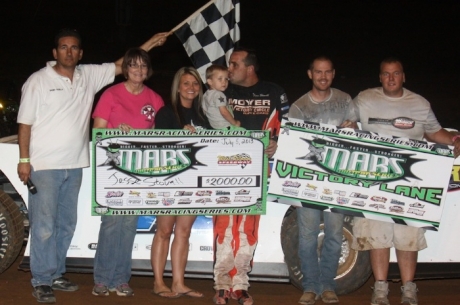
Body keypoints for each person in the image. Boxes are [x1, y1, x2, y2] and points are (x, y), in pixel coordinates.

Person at [16, 28, 168, 303]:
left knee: (65, 225)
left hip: (75, 164)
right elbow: (24, 122)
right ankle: (41, 279)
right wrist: (24, 160)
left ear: (80, 53)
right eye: (64, 47)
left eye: (74, 48)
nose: (69, 52)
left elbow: (126, 65)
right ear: (55, 52)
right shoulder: (38, 80)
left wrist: (151, 44)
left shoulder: (88, 75)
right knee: (44, 226)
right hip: (44, 163)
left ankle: (57, 273)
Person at [351, 57, 460, 305]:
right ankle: (380, 289)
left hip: (410, 182)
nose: (391, 78)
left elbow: (434, 132)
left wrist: (455, 140)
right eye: (386, 74)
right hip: (374, 180)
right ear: (380, 77)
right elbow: (344, 120)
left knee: (407, 234)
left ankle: (409, 288)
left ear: (404, 76)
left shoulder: (420, 103)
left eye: (396, 73)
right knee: (377, 235)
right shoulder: (364, 99)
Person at [213, 47, 290, 305]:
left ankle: (241, 284)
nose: (229, 70)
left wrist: (278, 143)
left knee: (247, 228)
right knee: (224, 226)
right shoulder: (222, 91)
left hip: (257, 169)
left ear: (250, 68)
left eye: (234, 65)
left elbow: (289, 127)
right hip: (224, 168)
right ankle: (222, 283)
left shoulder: (273, 91)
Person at [91, 48, 165, 297]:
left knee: (129, 224)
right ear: (125, 69)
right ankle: (102, 279)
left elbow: (160, 136)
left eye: (143, 66)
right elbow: (97, 132)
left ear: (148, 70)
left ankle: (121, 279)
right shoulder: (110, 94)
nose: (139, 70)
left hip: (140, 171)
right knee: (112, 223)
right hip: (112, 169)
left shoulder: (155, 99)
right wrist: (116, 134)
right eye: (133, 65)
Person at [288, 56, 356, 305]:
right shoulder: (298, 107)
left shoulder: (345, 100)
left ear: (334, 73)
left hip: (338, 183)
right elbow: (292, 147)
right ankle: (309, 286)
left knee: (334, 235)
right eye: (318, 72)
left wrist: (354, 127)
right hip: (309, 184)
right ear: (310, 74)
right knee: (306, 236)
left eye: (327, 72)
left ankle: (328, 285)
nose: (323, 76)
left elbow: (357, 138)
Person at [150, 67, 209, 299]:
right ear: (178, 87)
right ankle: (157, 282)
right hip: (170, 181)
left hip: (194, 183)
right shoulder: (166, 113)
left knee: (183, 232)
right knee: (164, 230)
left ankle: (178, 282)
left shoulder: (205, 114)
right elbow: (159, 147)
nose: (191, 88)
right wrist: (180, 134)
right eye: (186, 83)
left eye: (195, 84)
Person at [203, 64, 240, 129]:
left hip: (216, 128)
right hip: (226, 126)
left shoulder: (206, 95)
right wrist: (235, 123)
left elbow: (204, 111)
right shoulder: (219, 94)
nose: (224, 82)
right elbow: (224, 112)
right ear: (210, 82)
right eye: (220, 79)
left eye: (226, 79)